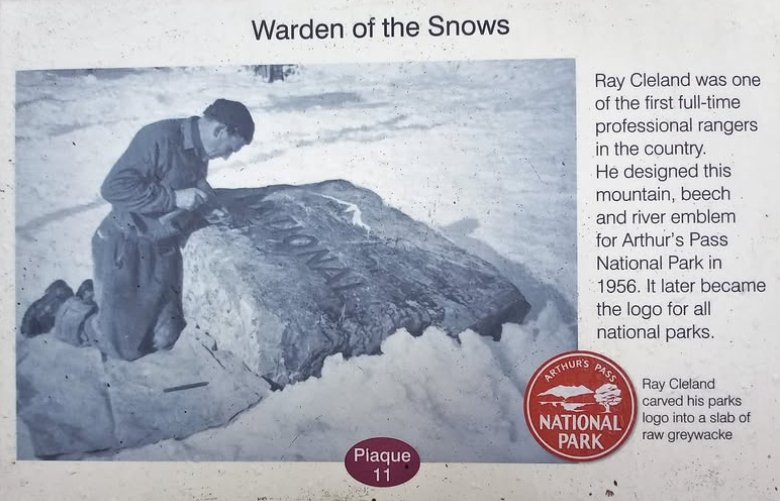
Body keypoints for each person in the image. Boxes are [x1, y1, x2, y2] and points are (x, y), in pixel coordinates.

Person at [20, 98, 254, 361]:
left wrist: (210, 205)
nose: (226, 157)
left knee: (166, 335)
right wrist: (174, 198)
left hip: (160, 251)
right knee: (124, 348)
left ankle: (97, 297)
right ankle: (59, 306)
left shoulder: (198, 146)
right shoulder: (159, 138)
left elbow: (190, 179)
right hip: (126, 245)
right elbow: (113, 188)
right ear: (219, 130)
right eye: (229, 149)